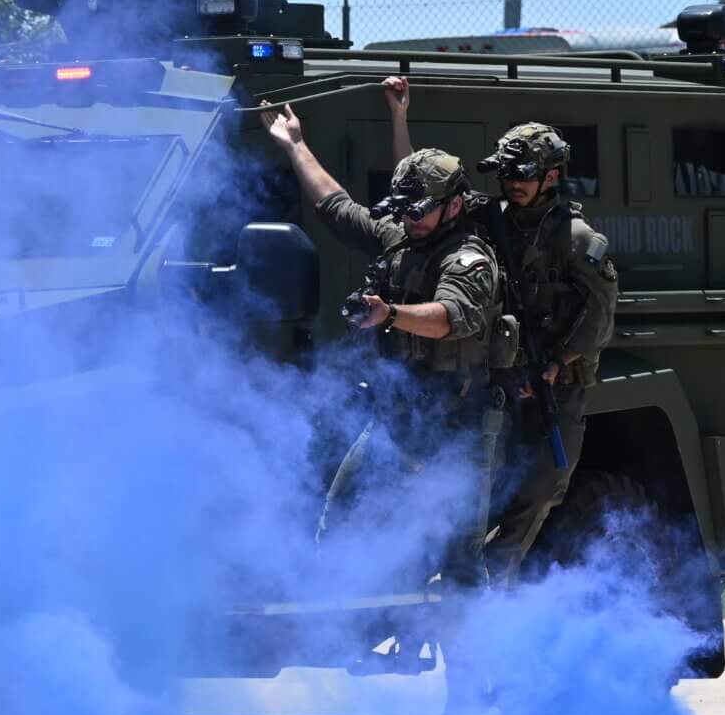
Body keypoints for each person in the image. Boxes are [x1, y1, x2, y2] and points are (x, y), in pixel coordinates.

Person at [261, 102, 505, 587]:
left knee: (460, 558)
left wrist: (389, 314)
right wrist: (295, 145)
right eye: (405, 211)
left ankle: (478, 637)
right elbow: (336, 206)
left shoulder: (469, 258)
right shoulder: (402, 237)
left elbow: (450, 317)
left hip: (457, 423)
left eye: (420, 211)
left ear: (454, 207)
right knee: (338, 526)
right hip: (396, 417)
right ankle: (338, 620)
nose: (410, 220)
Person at [385, 80, 617, 579]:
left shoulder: (577, 238)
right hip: (503, 381)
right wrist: (399, 118)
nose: (513, 184)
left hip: (556, 385)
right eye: (507, 175)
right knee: (478, 488)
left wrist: (556, 363)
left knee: (541, 488)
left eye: (524, 176)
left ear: (552, 176)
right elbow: (420, 192)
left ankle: (496, 578)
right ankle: (461, 579)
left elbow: (599, 317)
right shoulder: (492, 218)